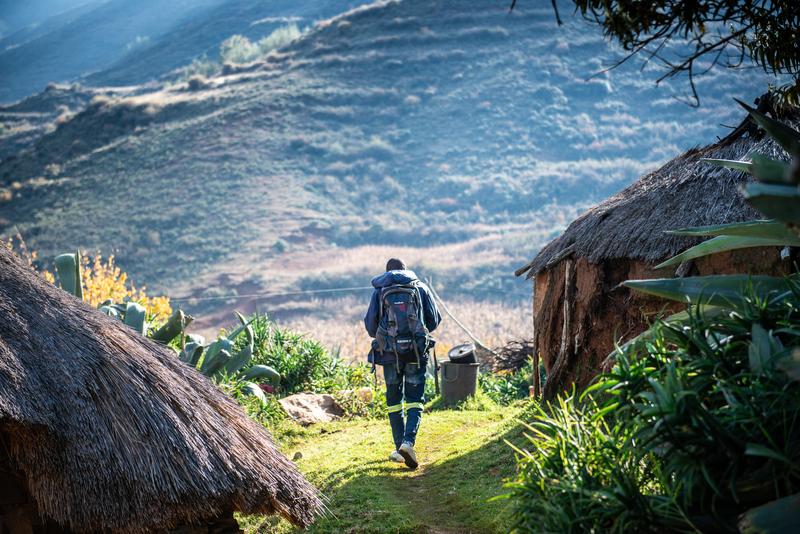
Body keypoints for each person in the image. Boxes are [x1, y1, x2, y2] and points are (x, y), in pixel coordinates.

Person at [364, 258, 441, 469]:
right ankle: (408, 442)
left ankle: (399, 448)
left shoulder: (380, 291)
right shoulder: (419, 287)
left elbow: (370, 326)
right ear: (405, 270)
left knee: (394, 400)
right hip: (416, 353)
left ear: (386, 272)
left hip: (389, 355)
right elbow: (434, 320)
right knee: (415, 399)